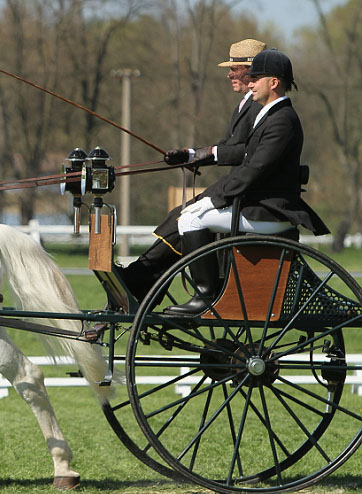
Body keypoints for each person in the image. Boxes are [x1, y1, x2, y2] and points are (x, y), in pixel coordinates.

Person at [165, 48, 330, 315]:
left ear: (273, 83)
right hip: (259, 205)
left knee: (190, 220)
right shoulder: (270, 115)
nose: (249, 83)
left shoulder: (282, 121)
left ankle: (206, 296)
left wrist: (215, 198)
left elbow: (255, 168)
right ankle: (217, 288)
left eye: (256, 78)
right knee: (190, 216)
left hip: (271, 210)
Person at [119, 39, 267, 301]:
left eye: (234, 69)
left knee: (183, 217)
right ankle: (143, 277)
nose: (229, 74)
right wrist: (189, 154)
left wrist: (206, 153)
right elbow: (228, 147)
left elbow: (246, 150)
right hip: (234, 187)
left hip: (244, 192)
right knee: (179, 215)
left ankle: (142, 278)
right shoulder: (246, 104)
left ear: (251, 71)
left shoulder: (258, 106)